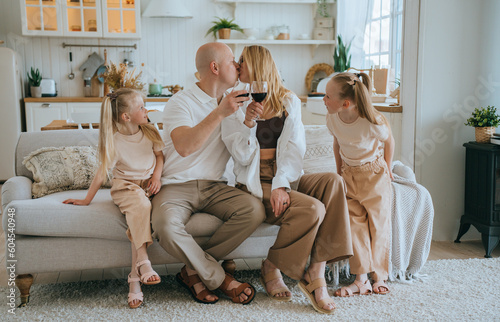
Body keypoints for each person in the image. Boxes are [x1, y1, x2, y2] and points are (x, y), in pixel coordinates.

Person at [221, 45, 353, 314]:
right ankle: (273, 265)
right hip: (254, 179)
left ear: (257, 65)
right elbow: (240, 156)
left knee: (333, 182)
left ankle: (316, 269)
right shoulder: (233, 100)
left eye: (242, 61)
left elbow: (294, 149)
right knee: (313, 208)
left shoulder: (288, 100)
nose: (237, 64)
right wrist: (247, 123)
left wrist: (282, 185)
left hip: (285, 176)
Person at [151, 42, 265, 305]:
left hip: (216, 186)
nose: (237, 65)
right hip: (176, 186)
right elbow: (185, 146)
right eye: (231, 60)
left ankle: (193, 271)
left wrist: (248, 122)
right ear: (214, 67)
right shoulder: (181, 102)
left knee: (254, 209)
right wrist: (220, 112)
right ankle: (218, 277)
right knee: (165, 227)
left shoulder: (238, 100)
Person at [63, 88, 165, 309]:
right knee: (141, 205)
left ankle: (134, 280)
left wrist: (156, 176)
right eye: (141, 107)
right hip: (125, 187)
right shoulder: (116, 141)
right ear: (126, 117)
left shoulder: (150, 130)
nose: (146, 109)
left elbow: (160, 156)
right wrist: (86, 199)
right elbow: (101, 173)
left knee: (138, 217)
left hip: (148, 185)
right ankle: (144, 263)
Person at [323, 72, 394, 296]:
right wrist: (339, 171)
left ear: (345, 103)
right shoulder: (332, 118)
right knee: (355, 227)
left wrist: (389, 167)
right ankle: (361, 279)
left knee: (378, 225)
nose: (323, 100)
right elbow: (337, 144)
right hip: (349, 176)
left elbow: (389, 140)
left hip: (374, 177)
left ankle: (380, 276)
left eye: (326, 96)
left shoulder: (373, 121)